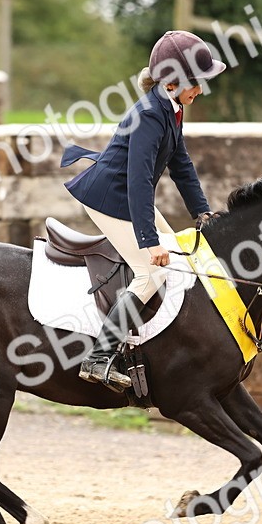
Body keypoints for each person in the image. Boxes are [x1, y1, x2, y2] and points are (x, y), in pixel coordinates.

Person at [60, 30, 226, 391]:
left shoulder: (172, 108)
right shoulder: (150, 114)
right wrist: (149, 242)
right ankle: (99, 356)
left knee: (180, 256)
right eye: (197, 83)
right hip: (110, 197)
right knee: (151, 272)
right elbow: (138, 181)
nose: (201, 90)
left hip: (129, 195)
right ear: (175, 81)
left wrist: (203, 212)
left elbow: (181, 164)